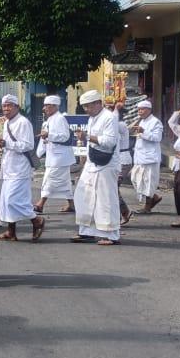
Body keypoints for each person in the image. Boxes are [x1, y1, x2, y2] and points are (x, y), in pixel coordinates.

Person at [71, 90, 121, 245]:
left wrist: (86, 136)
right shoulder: (92, 118)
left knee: (105, 199)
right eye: (84, 107)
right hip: (92, 162)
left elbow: (109, 142)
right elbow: (91, 143)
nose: (87, 110)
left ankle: (110, 234)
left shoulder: (109, 117)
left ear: (98, 103)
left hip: (107, 163)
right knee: (83, 195)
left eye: (89, 106)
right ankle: (86, 232)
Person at [0, 94, 44, 241]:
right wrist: (1, 145)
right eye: (4, 106)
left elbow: (28, 145)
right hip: (8, 165)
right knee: (5, 200)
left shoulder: (23, 122)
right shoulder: (6, 123)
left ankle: (36, 220)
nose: (6, 109)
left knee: (13, 200)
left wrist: (8, 144)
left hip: (20, 168)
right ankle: (11, 232)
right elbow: (7, 144)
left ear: (17, 107)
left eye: (10, 106)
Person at [34, 95, 74, 214]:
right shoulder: (48, 121)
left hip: (60, 157)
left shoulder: (60, 118)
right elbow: (43, 141)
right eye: (44, 105)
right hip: (53, 156)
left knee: (49, 179)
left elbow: (65, 136)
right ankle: (71, 204)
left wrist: (49, 135)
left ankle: (40, 203)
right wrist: (37, 155)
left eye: (47, 105)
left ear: (54, 106)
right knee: (65, 182)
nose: (44, 108)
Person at [130, 99, 163, 213]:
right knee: (135, 179)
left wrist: (143, 132)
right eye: (139, 109)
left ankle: (147, 207)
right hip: (140, 156)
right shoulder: (141, 121)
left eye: (142, 109)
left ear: (149, 110)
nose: (140, 111)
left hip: (150, 158)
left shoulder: (156, 122)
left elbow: (157, 138)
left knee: (148, 182)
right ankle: (154, 197)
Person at [114, 102, 132, 225]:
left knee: (113, 188)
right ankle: (124, 211)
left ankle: (124, 212)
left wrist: (115, 110)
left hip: (123, 160)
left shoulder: (120, 125)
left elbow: (112, 122)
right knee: (113, 188)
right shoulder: (119, 125)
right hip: (118, 159)